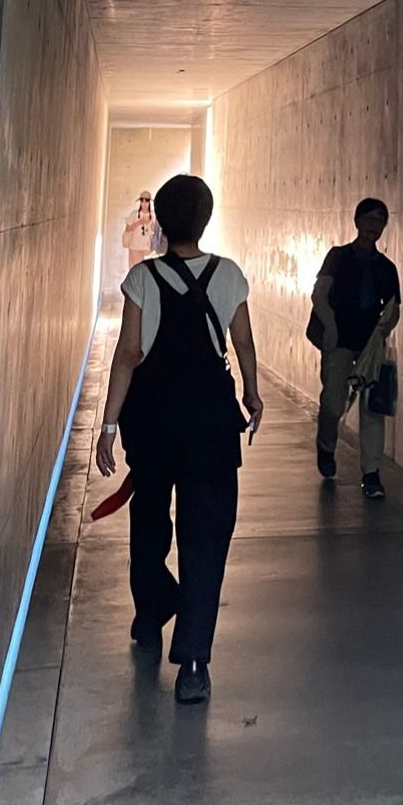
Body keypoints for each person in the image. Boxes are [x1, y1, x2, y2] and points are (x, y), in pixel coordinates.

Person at [96, 174, 263, 706]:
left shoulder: (143, 279)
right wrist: (253, 397)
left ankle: (151, 613)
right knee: (205, 538)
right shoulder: (229, 274)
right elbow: (243, 343)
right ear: (206, 219)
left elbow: (127, 354)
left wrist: (108, 424)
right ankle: (193, 664)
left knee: (148, 521)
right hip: (211, 423)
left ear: (162, 222)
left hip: (153, 420)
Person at [309, 197, 401, 499]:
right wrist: (331, 328)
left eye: (380, 221)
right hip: (339, 342)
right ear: (357, 221)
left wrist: (383, 333)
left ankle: (371, 474)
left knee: (372, 410)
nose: (375, 226)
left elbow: (393, 309)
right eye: (371, 219)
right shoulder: (338, 256)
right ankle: (326, 445)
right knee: (334, 403)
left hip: (369, 348)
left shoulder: (387, 268)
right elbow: (320, 294)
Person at [121, 189, 161, 273]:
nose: (144, 203)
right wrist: (139, 223)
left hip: (147, 247)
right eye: (142, 200)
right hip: (135, 245)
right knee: (136, 270)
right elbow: (128, 229)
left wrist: (150, 224)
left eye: (146, 201)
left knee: (146, 271)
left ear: (149, 202)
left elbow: (156, 230)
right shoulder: (134, 214)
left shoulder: (153, 215)